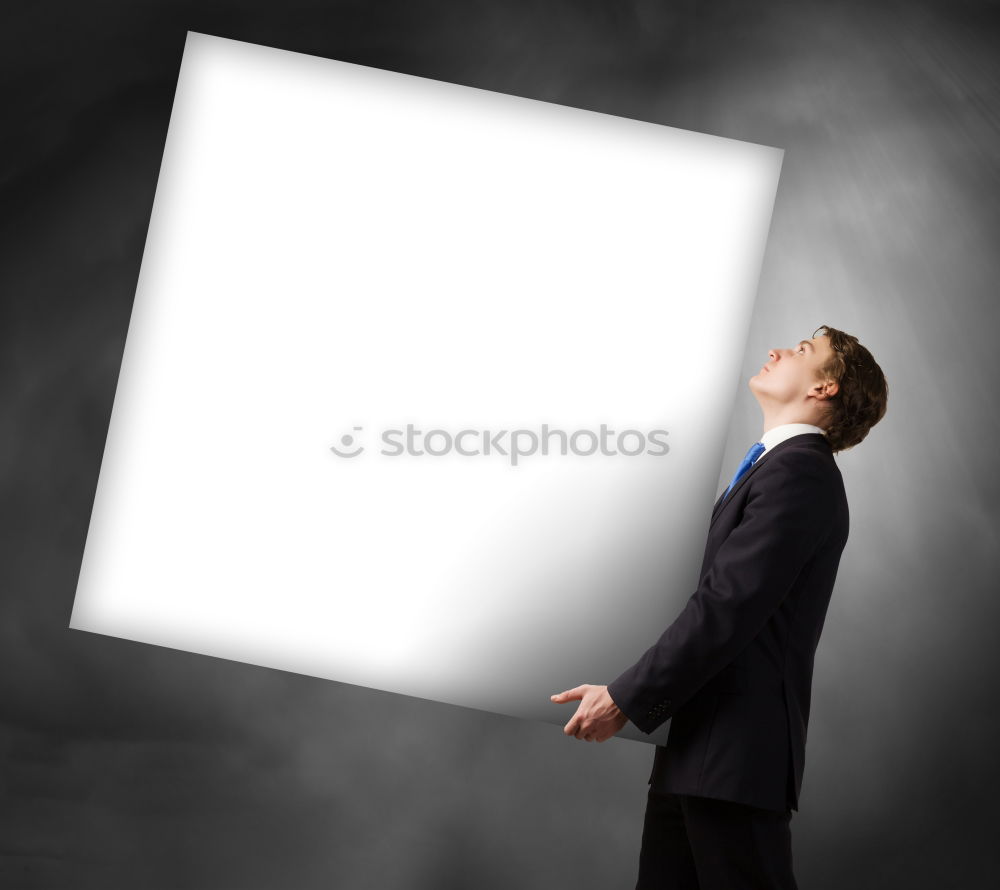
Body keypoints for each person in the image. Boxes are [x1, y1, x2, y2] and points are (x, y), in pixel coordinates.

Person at [551, 325, 888, 889]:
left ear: (826, 387)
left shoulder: (799, 472)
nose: (778, 350)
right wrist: (623, 687)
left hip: (733, 759)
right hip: (700, 754)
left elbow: (727, 605)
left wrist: (627, 698)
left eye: (804, 351)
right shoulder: (773, 470)